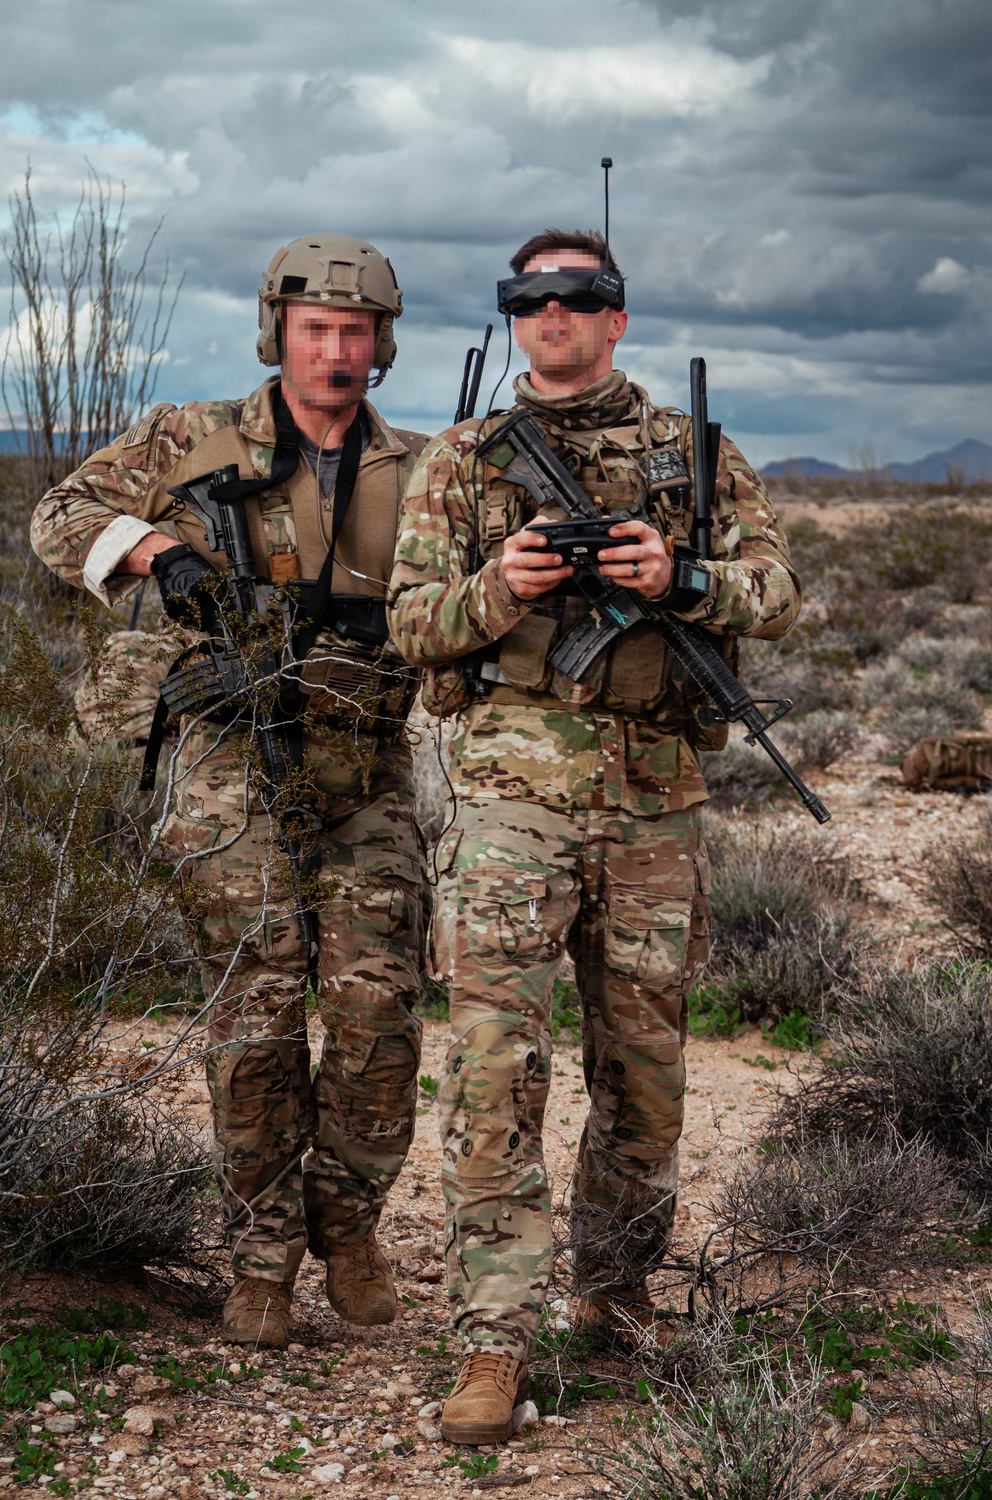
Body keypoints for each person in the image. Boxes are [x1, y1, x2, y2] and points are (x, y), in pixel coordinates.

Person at [387, 228, 801, 1443]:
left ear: (617, 315)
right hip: (508, 798)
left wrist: (681, 577)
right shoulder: (462, 459)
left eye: (578, 296)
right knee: (492, 1071)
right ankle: (492, 1340)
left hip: (655, 799)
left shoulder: (697, 454)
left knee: (646, 1074)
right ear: (512, 314)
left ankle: (610, 1298)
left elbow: (776, 593)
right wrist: (502, 586)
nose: (550, 313)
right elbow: (412, 626)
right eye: (529, 297)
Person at [31, 234, 430, 1349]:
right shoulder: (184, 435)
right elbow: (59, 519)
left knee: (376, 1011)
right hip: (225, 749)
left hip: (365, 761)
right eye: (316, 330)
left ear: (381, 344)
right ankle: (260, 1257)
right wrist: (161, 553)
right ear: (277, 333)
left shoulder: (430, 466)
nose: (335, 353)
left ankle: (346, 1227)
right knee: (253, 1010)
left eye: (356, 333)